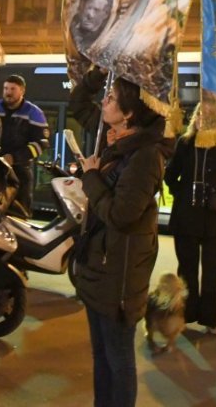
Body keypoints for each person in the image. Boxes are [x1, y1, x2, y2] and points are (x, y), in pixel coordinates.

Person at [75, 77, 167, 407]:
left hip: (119, 275)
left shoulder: (144, 155)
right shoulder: (116, 142)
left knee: (119, 361)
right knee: (101, 357)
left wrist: (91, 178)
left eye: (111, 98)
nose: (104, 102)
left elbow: (121, 214)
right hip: (101, 268)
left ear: (128, 113)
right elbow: (78, 103)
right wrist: (98, 71)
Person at [163, 106, 216, 336]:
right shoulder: (185, 145)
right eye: (200, 114)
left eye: (208, 115)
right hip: (186, 218)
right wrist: (183, 193)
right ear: (195, 118)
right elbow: (170, 175)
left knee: (212, 271)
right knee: (186, 270)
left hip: (213, 219)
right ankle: (185, 315)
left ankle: (212, 321)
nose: (202, 118)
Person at [0, 74, 49, 217]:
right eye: (5, 88)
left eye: (13, 89)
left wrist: (15, 158)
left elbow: (40, 144)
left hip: (20, 171)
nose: (8, 92)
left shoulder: (34, 113)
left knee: (20, 212)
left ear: (22, 91)